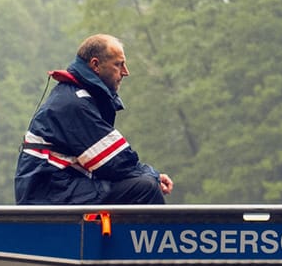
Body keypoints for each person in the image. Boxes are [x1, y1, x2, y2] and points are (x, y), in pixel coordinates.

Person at [15, 34, 173, 204]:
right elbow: (116, 163)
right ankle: (163, 231)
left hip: (57, 189)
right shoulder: (74, 103)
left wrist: (151, 174)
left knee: (139, 183)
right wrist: (153, 175)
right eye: (118, 65)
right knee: (145, 188)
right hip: (48, 195)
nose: (126, 72)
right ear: (96, 65)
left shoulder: (74, 96)